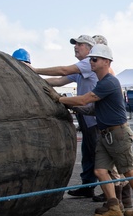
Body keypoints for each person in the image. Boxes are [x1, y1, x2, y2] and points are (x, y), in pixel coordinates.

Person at [48, 44, 133, 216]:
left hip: (118, 134)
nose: (91, 62)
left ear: (106, 62)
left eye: (94, 59)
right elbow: (92, 109)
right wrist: (72, 107)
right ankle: (114, 207)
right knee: (100, 171)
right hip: (106, 134)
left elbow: (84, 99)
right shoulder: (102, 83)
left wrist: (59, 99)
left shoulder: (108, 82)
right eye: (91, 59)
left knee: (128, 171)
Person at [32, 35, 102, 201]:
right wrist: (33, 81)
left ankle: (112, 191)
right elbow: (59, 80)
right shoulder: (82, 68)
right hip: (86, 117)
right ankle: (87, 186)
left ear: (89, 48)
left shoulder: (88, 63)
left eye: (79, 44)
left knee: (99, 155)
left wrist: (34, 71)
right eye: (75, 44)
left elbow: (63, 71)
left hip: (94, 118)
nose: (75, 47)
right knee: (88, 152)